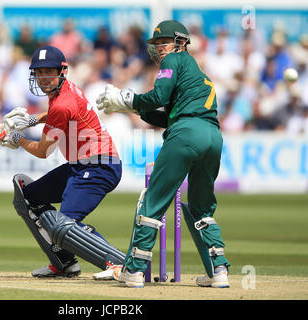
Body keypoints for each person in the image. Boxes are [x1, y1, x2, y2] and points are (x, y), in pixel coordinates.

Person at [96, 20, 231, 288]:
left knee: (152, 201)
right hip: (213, 137)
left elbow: (158, 97)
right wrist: (130, 108)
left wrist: (127, 99)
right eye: (157, 44)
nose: (159, 49)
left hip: (185, 135)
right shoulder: (198, 75)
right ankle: (218, 270)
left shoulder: (175, 60)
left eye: (164, 43)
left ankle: (133, 270)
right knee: (201, 207)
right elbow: (168, 116)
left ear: (181, 43)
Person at [1, 45, 125, 278]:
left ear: (62, 71)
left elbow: (41, 151)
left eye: (48, 71)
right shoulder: (63, 90)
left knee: (64, 225)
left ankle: (118, 263)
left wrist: (18, 139)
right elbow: (58, 115)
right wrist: (31, 120)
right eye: (38, 72)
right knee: (29, 197)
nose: (43, 78)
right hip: (81, 165)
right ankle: (64, 262)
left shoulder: (61, 102)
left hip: (99, 165)